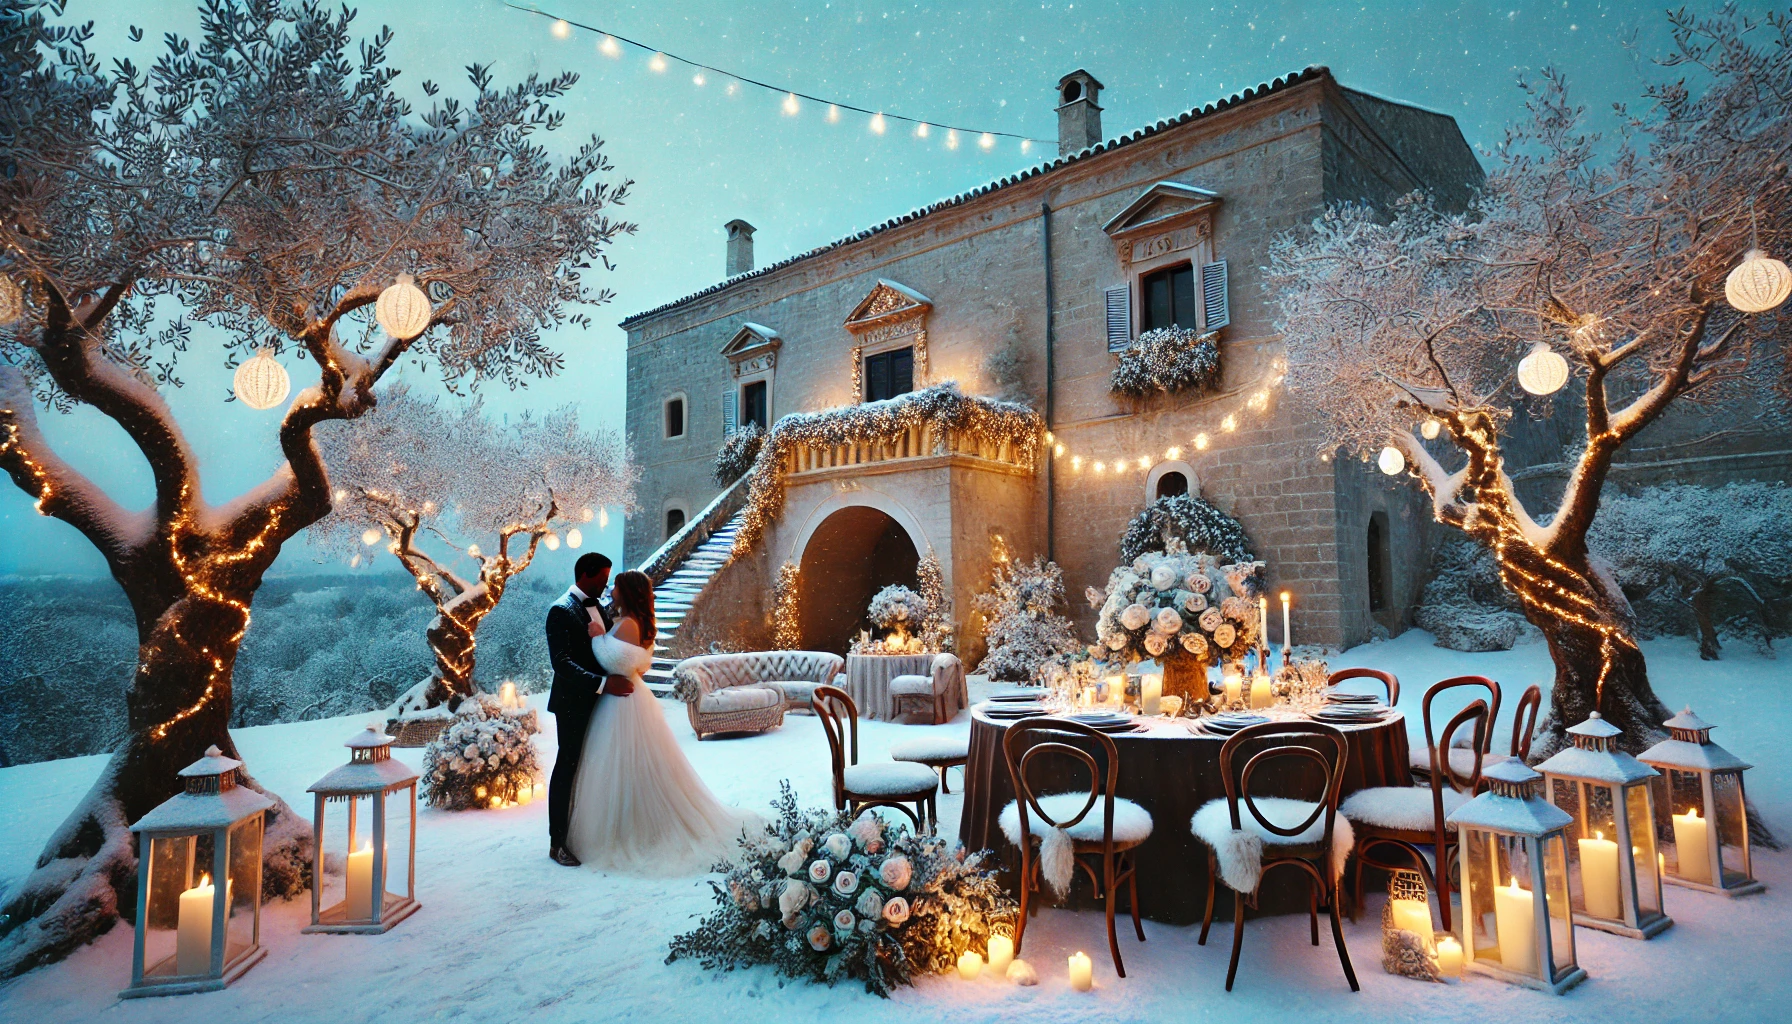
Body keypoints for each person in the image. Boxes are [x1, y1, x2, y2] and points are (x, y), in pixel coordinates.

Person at [564, 569, 753, 874]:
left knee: (624, 765)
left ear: (627, 593)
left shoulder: (627, 624)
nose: (611, 591)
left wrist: (598, 639)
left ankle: (629, 828)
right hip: (629, 696)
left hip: (623, 701)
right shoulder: (632, 622)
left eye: (616, 587)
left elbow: (616, 662)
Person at [544, 552, 631, 867]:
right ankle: (558, 842)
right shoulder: (560, 610)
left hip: (601, 704)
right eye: (602, 579)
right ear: (585, 575)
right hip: (572, 704)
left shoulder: (601, 608)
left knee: (595, 766)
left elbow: (605, 644)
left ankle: (589, 833)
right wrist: (603, 684)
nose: (606, 584)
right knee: (567, 768)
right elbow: (562, 663)